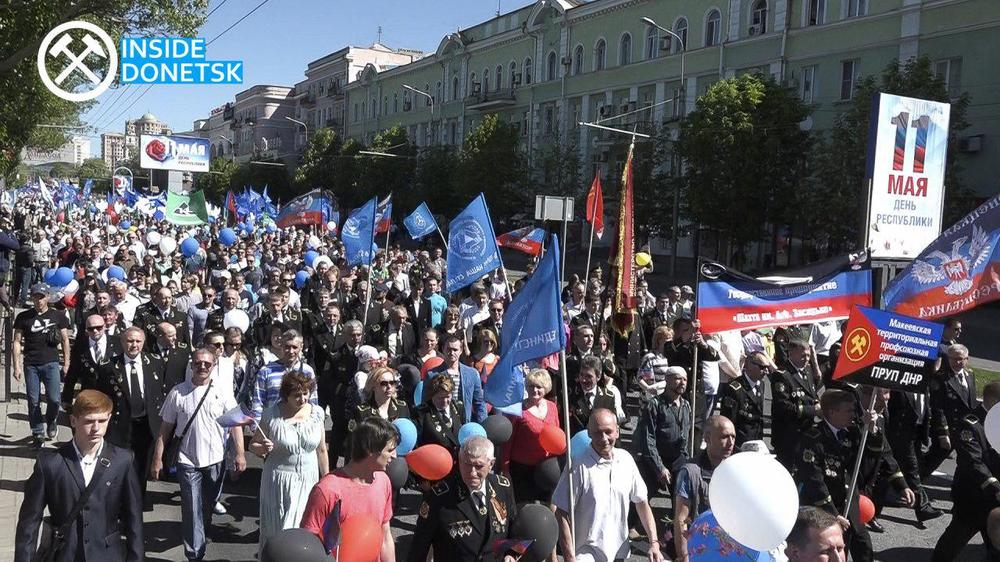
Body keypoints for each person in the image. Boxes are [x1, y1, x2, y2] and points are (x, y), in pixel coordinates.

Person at [14, 390, 144, 562]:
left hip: (107, 555)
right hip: (65, 555)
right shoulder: (50, 464)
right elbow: (29, 524)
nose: (96, 428)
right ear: (73, 421)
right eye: (89, 421)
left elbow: (134, 520)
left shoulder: (123, 460)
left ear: (109, 418)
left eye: (102, 421)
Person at [794, 389, 915, 562]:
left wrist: (872, 430)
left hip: (850, 501)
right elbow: (814, 480)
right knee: (828, 552)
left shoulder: (854, 431)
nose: (854, 414)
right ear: (832, 412)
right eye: (849, 410)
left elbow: (875, 456)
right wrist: (832, 514)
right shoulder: (813, 438)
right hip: (823, 507)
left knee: (863, 547)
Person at [150, 348, 246, 562]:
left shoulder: (223, 392)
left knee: (207, 505)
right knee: (192, 508)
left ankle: (202, 531)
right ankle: (195, 554)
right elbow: (165, 430)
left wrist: (240, 454)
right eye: (198, 363)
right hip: (187, 461)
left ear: (214, 366)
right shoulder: (178, 392)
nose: (202, 367)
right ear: (191, 365)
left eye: (207, 364)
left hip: (216, 460)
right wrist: (157, 459)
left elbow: (235, 425)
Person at [553, 408, 664, 562]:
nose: (604, 438)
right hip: (586, 554)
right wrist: (569, 557)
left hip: (619, 552)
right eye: (598, 433)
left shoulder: (626, 460)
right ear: (589, 433)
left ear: (617, 431)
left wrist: (654, 542)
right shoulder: (578, 465)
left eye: (608, 432)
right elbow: (561, 512)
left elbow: (642, 503)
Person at [250, 371, 329, 552]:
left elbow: (322, 449)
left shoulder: (317, 413)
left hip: (309, 480)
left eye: (305, 393)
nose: (302, 399)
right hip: (279, 481)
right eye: (296, 395)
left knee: (303, 528)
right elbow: (253, 445)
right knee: (279, 529)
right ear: (286, 396)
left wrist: (327, 480)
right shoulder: (271, 414)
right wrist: (263, 448)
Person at [300, 416, 397, 562]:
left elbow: (385, 536)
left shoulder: (383, 482)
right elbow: (308, 544)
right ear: (369, 450)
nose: (395, 456)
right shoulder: (327, 490)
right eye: (390, 450)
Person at [408, 436, 519, 562]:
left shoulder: (502, 487)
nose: (472, 472)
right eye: (467, 464)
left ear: (491, 464)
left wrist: (512, 553)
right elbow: (419, 546)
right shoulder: (439, 497)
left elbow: (515, 529)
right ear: (460, 461)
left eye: (479, 466)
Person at [87, 326, 167, 497]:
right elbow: (102, 398)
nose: (134, 345)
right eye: (130, 341)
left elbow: (160, 391)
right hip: (121, 425)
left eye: (138, 341)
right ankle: (118, 501)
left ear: (143, 342)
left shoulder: (155, 362)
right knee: (119, 465)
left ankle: (137, 501)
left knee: (141, 466)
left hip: (146, 424)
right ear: (122, 342)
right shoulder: (108, 366)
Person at [932, 380, 1000, 561]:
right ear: (994, 403)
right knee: (952, 543)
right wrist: (995, 487)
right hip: (973, 498)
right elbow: (973, 462)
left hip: (994, 501)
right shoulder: (970, 424)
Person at [671, 416, 736, 561]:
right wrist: (684, 556)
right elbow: (681, 520)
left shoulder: (736, 472)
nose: (731, 442)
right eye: (724, 437)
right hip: (700, 550)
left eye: (733, 437)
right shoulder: (690, 472)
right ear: (707, 438)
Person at [13, 283, 71, 444]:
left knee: (54, 399)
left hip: (51, 362)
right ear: (32, 298)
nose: (39, 300)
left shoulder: (58, 316)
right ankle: (37, 431)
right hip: (31, 363)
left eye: (42, 297)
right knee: (33, 400)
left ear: (48, 298)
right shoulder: (23, 317)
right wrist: (16, 366)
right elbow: (17, 341)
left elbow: (65, 340)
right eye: (36, 297)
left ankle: (52, 420)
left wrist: (66, 363)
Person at [632, 365, 692, 499]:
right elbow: (648, 438)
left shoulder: (686, 405)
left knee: (680, 502)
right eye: (678, 379)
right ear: (667, 380)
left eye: (685, 379)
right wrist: (659, 467)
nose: (682, 382)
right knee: (641, 499)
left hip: (678, 461)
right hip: (656, 460)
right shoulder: (655, 405)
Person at [505, 368, 560, 503]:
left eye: (539, 387)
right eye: (531, 386)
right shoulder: (517, 410)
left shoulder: (552, 406)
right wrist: (504, 469)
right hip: (523, 470)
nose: (535, 390)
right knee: (525, 508)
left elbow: (557, 433)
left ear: (546, 388)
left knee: (546, 507)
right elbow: (507, 441)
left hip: (547, 469)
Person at [771, 338, 821, 468]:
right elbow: (783, 407)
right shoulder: (782, 375)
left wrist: (818, 404)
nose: (807, 359)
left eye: (808, 355)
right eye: (803, 355)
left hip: (805, 432)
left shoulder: (808, 370)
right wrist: (813, 410)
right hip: (788, 434)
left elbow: (812, 395)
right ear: (791, 353)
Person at [427, 335, 487, 424]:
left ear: (461, 351)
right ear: (443, 349)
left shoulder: (472, 374)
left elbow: (479, 403)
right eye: (448, 349)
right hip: (442, 424)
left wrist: (483, 425)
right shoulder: (432, 374)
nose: (452, 353)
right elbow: (427, 404)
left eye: (455, 350)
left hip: (464, 422)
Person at [718, 351, 770, 447]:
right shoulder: (734, 388)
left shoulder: (761, 384)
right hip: (740, 443)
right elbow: (729, 420)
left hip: (756, 441)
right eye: (762, 367)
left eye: (768, 367)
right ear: (749, 365)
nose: (766, 371)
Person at [413, 374, 464, 457]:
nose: (445, 401)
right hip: (434, 459)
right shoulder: (422, 413)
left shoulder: (459, 407)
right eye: (440, 398)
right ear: (432, 396)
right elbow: (417, 443)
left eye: (448, 397)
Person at [567, 355, 618, 435]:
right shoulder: (570, 395)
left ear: (598, 376)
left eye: (589, 376)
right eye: (581, 375)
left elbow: (612, 427)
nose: (583, 380)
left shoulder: (608, 397)